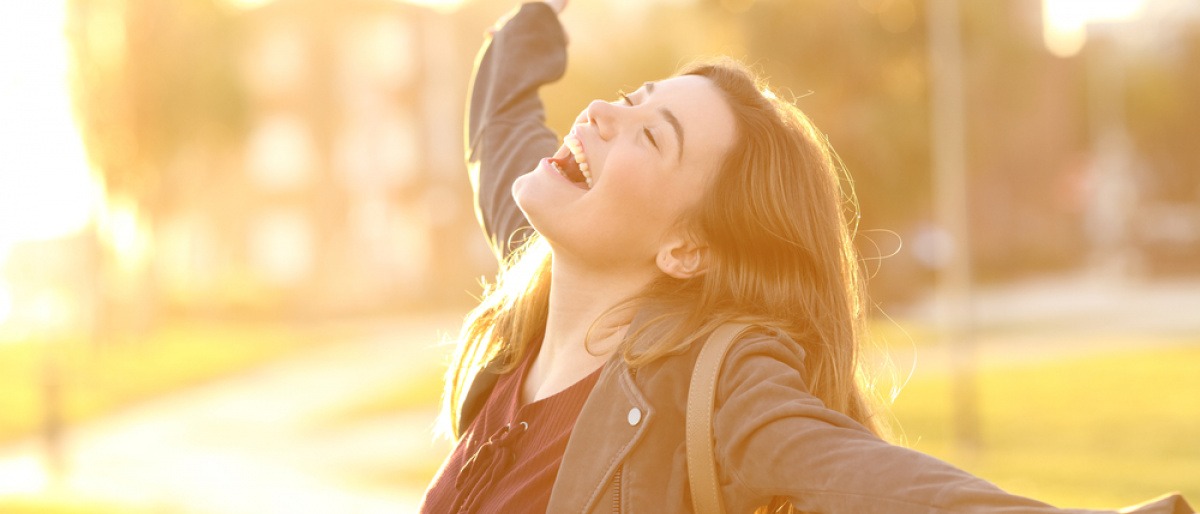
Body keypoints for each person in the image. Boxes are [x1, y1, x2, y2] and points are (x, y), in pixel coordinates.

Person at [419, 1, 1194, 513]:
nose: (600, 114)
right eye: (632, 98)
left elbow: (882, 486)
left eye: (651, 134)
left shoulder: (711, 383)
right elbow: (502, 131)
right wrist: (538, 18)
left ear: (687, 248)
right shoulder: (535, 294)